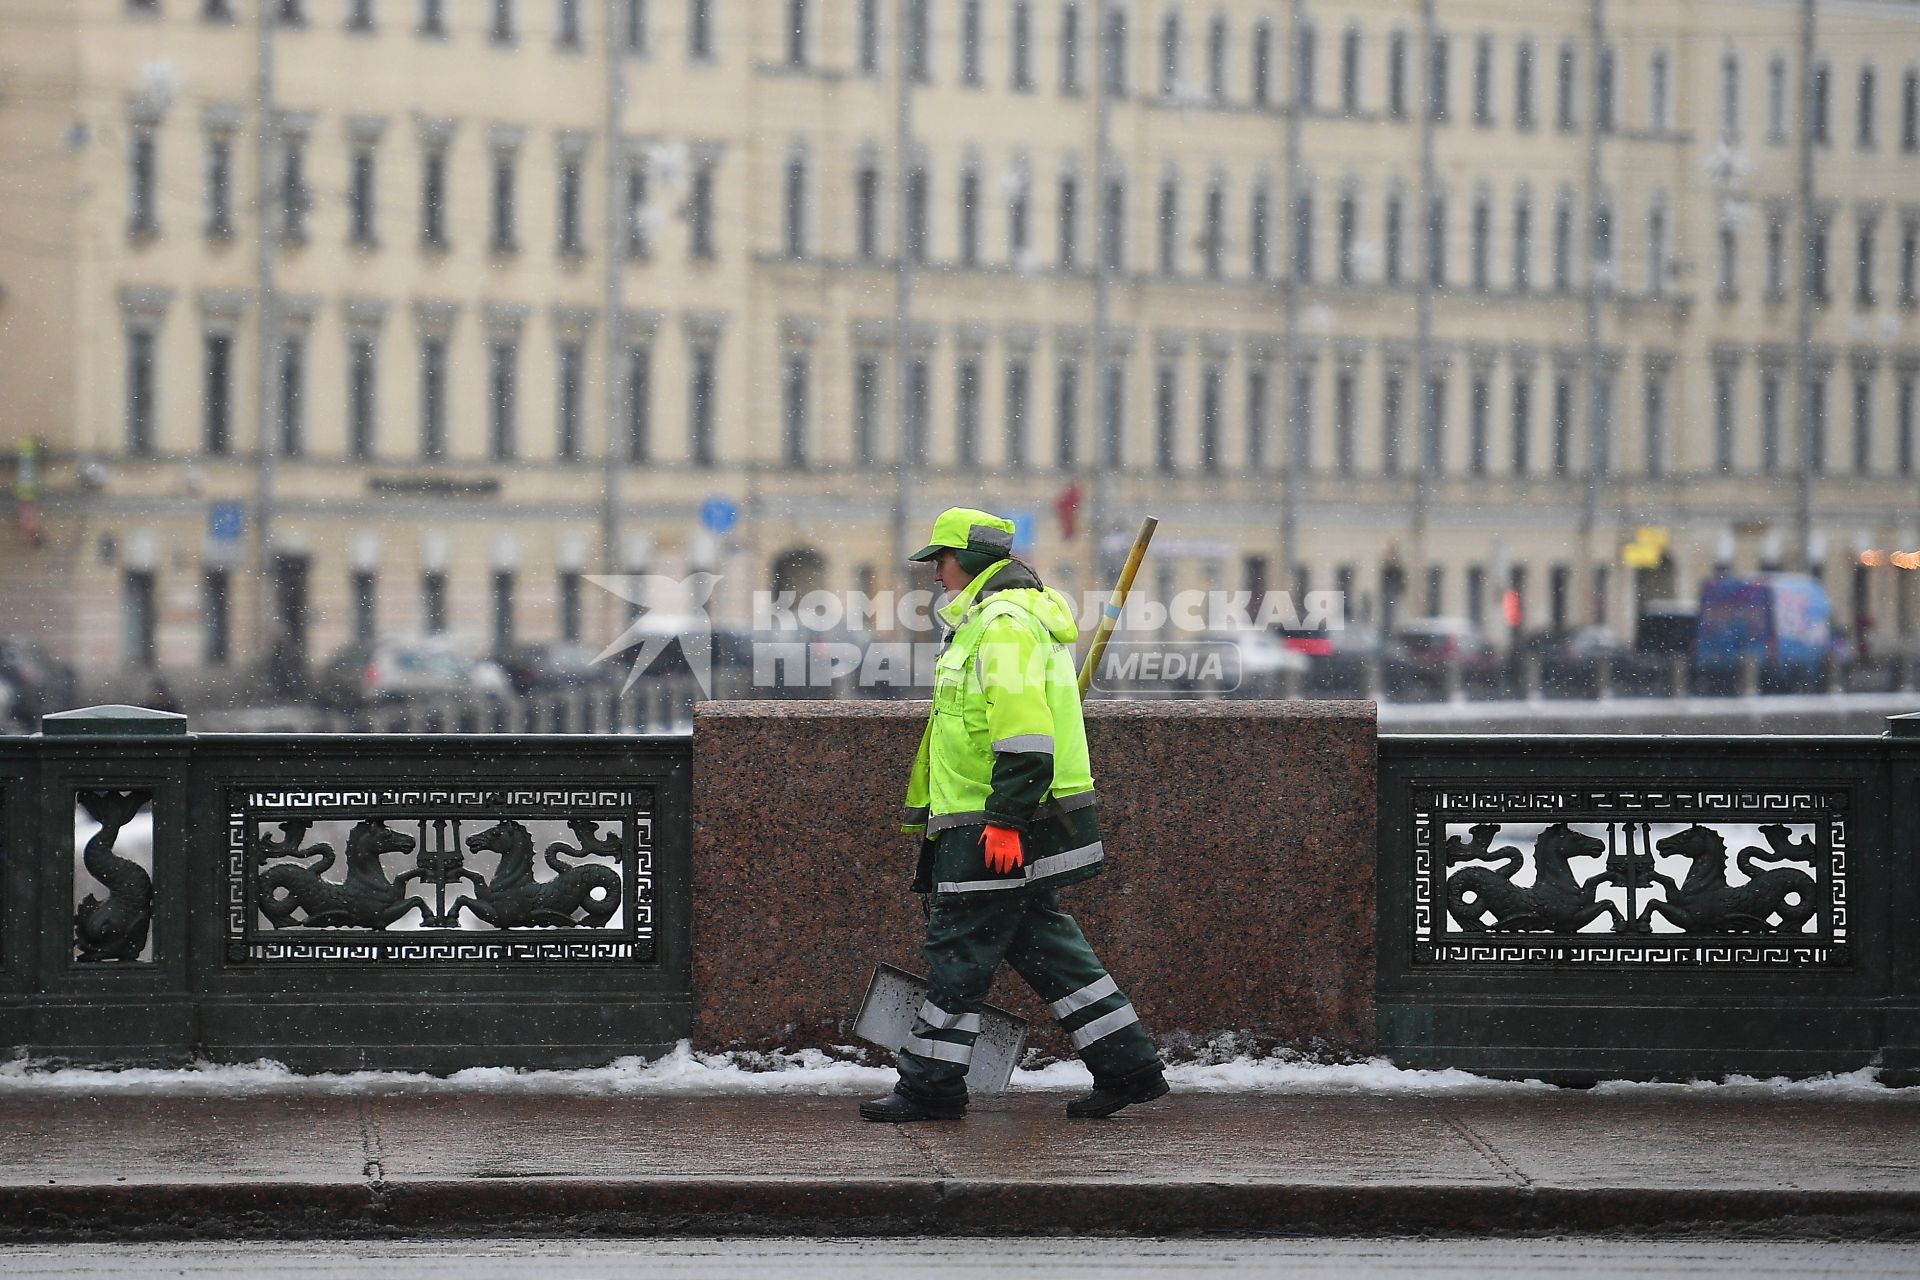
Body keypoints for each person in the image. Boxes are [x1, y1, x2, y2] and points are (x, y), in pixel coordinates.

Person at [861, 507, 1167, 1123]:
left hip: (991, 822)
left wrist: (1005, 819)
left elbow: (1024, 734)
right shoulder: (997, 619)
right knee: (1046, 946)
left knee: (958, 950)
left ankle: (930, 1085)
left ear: (969, 560)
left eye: (941, 561)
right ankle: (1127, 1066)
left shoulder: (1001, 623)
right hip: (992, 815)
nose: (936, 574)